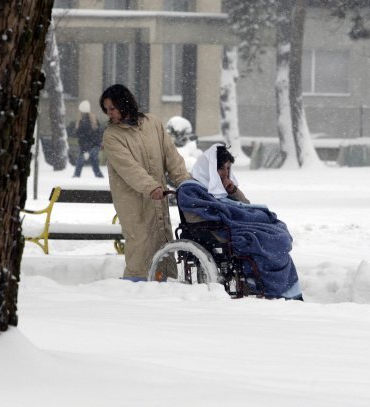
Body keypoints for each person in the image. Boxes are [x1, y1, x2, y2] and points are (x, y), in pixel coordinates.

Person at [179, 143, 303, 300]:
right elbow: (200, 216)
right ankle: (265, 286)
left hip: (232, 225)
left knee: (277, 234)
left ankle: (283, 290)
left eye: (228, 169)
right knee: (269, 240)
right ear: (210, 168)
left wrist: (233, 191)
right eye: (221, 169)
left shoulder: (219, 186)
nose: (225, 173)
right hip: (216, 231)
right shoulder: (191, 188)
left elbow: (245, 205)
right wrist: (226, 215)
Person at [100, 84, 191, 281]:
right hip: (133, 202)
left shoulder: (153, 124)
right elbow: (129, 169)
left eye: (112, 108)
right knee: (139, 245)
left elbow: (171, 156)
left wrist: (185, 182)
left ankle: (166, 282)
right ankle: (136, 287)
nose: (109, 114)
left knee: (163, 240)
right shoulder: (112, 136)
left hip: (158, 200)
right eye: (107, 109)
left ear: (124, 104)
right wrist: (151, 187)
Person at [73, 100, 104, 178]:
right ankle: (99, 177)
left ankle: (76, 177)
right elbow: (97, 134)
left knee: (80, 163)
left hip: (87, 146)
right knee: (94, 163)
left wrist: (86, 150)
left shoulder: (82, 121)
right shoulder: (93, 119)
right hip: (94, 146)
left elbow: (82, 136)